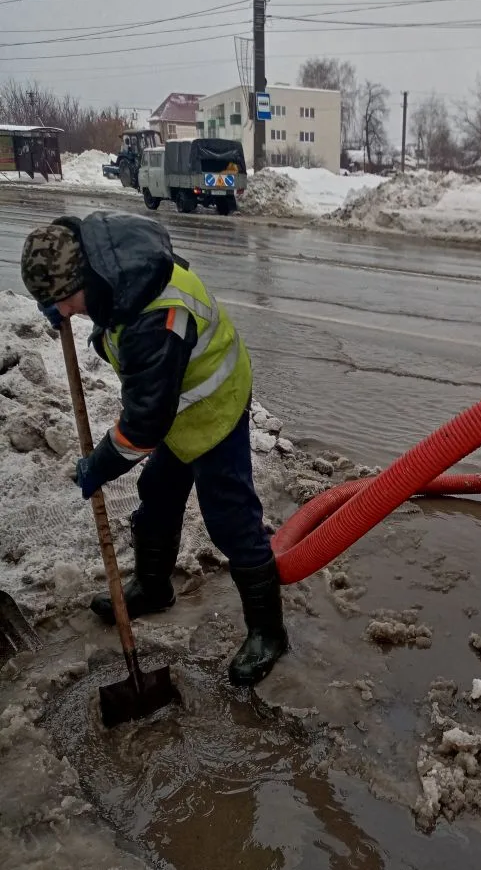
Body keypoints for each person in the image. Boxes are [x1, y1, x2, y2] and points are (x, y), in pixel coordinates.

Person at [20, 211, 288, 686]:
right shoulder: (115, 266)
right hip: (177, 402)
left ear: (85, 278)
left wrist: (100, 465)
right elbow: (123, 341)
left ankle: (269, 633)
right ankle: (153, 586)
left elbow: (143, 427)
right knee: (158, 493)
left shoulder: (153, 319)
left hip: (213, 406)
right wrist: (75, 312)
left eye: (64, 300)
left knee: (230, 519)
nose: (63, 311)